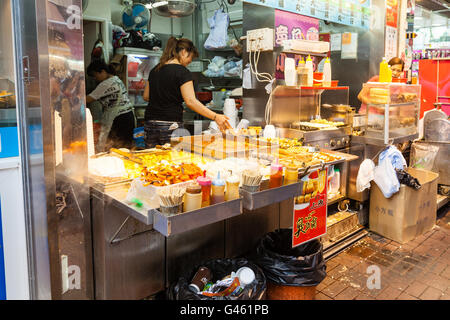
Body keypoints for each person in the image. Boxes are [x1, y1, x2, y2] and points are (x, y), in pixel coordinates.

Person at [143, 37, 232, 148]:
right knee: (172, 161)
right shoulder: (182, 72)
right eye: (190, 58)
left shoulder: (155, 69)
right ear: (184, 52)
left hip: (150, 123)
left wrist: (167, 100)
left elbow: (146, 96)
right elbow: (190, 101)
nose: (189, 63)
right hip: (170, 124)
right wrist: (215, 116)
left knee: (152, 159)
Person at [86, 61, 136, 152]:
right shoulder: (116, 79)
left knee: (117, 148)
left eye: (95, 75)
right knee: (125, 147)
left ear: (102, 71)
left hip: (119, 118)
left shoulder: (106, 84)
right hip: (128, 116)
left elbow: (88, 99)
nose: (95, 79)